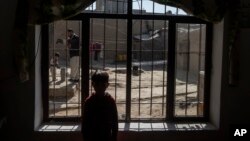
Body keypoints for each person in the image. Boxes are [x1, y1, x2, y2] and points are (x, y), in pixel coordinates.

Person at [82, 71, 118, 141]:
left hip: (106, 137)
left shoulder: (110, 101)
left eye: (103, 85)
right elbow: (85, 125)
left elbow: (115, 123)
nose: (100, 87)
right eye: (97, 84)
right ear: (93, 84)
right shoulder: (89, 102)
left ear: (107, 85)